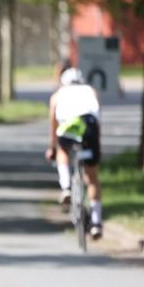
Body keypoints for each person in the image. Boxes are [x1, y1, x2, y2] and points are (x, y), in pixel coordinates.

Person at [47, 66, 103, 239]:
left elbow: (53, 124)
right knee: (92, 178)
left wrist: (52, 147)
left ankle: (66, 187)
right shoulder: (90, 91)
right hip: (89, 128)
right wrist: (97, 144)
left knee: (62, 151)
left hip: (68, 128)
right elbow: (98, 118)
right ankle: (96, 222)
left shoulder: (58, 95)